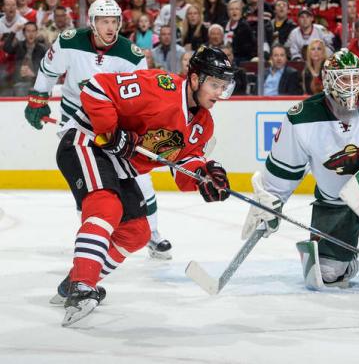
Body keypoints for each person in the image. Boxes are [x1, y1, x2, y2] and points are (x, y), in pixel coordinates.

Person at [58, 46, 235, 326]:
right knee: (106, 207)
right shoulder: (159, 88)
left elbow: (183, 168)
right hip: (88, 142)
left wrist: (205, 177)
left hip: (119, 164)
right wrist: (111, 132)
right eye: (214, 84)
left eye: (224, 87)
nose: (219, 93)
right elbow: (95, 87)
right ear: (195, 79)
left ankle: (77, 278)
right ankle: (82, 287)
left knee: (136, 232)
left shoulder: (204, 124)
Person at [241, 48, 359, 290]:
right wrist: (269, 203)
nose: (351, 85)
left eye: (356, 77)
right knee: (327, 274)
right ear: (328, 80)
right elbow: (284, 171)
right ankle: (346, 263)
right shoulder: (301, 118)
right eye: (344, 78)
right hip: (334, 201)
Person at [24, 0, 174, 263]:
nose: (110, 27)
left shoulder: (132, 56)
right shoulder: (69, 41)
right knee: (91, 183)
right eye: (104, 21)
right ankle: (96, 231)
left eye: (114, 21)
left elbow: (140, 100)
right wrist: (39, 99)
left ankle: (151, 231)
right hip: (75, 122)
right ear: (92, 24)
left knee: (139, 178)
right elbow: (49, 70)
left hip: (113, 125)